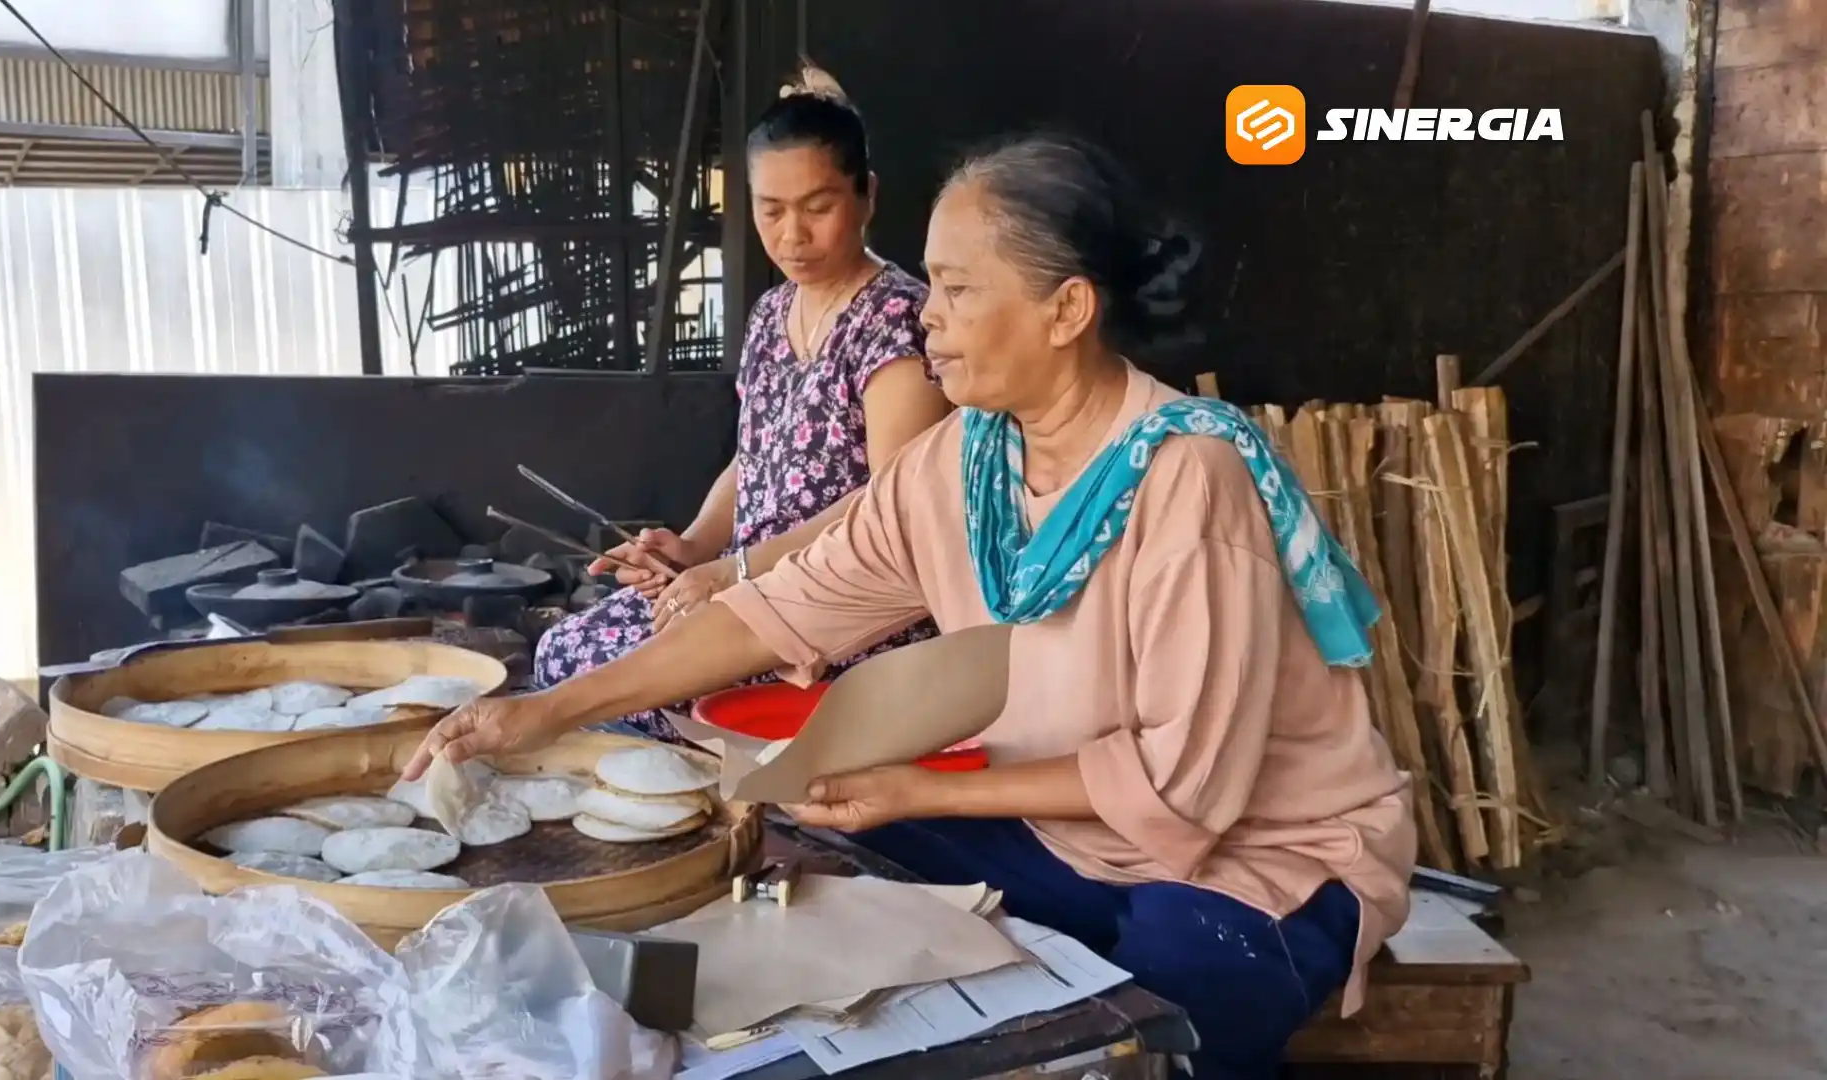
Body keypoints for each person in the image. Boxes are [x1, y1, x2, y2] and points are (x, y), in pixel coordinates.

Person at [412, 134, 1416, 1080]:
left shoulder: (1188, 477)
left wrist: (914, 789)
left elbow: (1184, 784)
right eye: (931, 282)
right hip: (1062, 827)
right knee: (806, 859)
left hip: (1254, 854)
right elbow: (777, 610)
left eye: (957, 287)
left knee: (1163, 1009)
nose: (927, 313)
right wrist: (546, 712)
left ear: (1066, 310)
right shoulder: (962, 462)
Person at [533, 64, 950, 742]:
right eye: (771, 210)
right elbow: (753, 459)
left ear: (867, 196)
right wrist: (694, 546)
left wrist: (737, 570)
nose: (793, 235)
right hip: (745, 591)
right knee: (564, 650)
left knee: (629, 688)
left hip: (835, 612)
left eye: (818, 207)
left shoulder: (899, 320)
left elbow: (891, 505)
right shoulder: (770, 313)